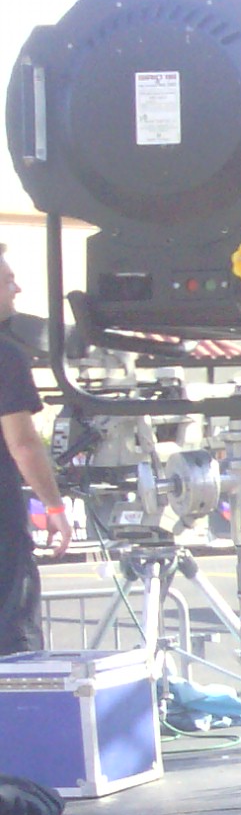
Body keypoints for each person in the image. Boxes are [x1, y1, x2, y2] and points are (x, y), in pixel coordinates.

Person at [0, 249, 70, 657]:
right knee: (14, 648)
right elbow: (24, 445)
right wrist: (55, 507)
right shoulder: (6, 356)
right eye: (8, 280)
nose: (18, 288)